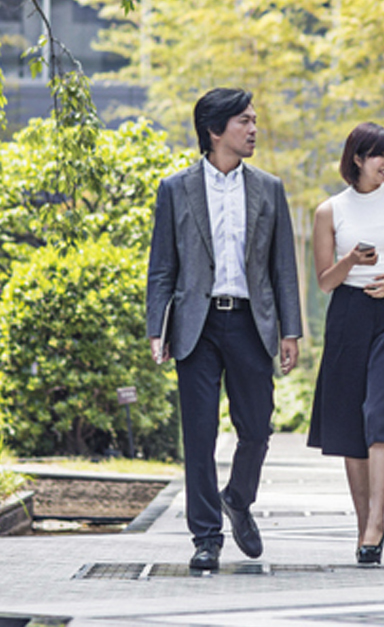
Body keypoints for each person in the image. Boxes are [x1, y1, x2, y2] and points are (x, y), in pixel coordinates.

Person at [146, 87, 303, 571]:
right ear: (215, 131)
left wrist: (290, 330)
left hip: (251, 323)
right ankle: (206, 537)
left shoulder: (269, 188)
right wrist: (158, 327)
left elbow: (283, 267)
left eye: (255, 120)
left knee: (256, 427)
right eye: (245, 121)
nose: (254, 129)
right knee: (198, 433)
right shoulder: (175, 189)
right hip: (197, 323)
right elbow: (162, 266)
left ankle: (238, 496)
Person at [307, 122, 384, 565]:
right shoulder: (329, 211)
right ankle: (365, 528)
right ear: (357, 158)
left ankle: (377, 520)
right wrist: (351, 260)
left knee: (380, 413)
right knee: (350, 425)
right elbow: (323, 281)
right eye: (381, 155)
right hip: (347, 315)